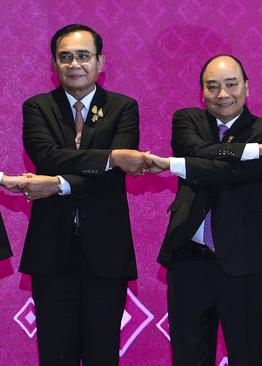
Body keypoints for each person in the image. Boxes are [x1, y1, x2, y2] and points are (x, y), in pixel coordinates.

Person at [146, 54, 262, 366]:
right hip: (189, 259)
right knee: (188, 356)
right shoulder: (187, 120)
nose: (222, 94)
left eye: (230, 85)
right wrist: (250, 152)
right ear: (202, 92)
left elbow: (232, 173)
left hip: (246, 262)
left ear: (247, 87)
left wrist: (181, 166)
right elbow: (192, 150)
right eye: (212, 87)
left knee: (246, 355)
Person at [20, 23, 149, 365]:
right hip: (52, 250)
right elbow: (46, 155)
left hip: (106, 251)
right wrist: (109, 158)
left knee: (102, 353)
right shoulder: (38, 108)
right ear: (54, 64)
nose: (74, 64)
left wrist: (59, 184)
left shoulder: (123, 107)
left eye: (83, 56)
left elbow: (116, 173)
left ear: (100, 62)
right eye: (65, 57)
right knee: (55, 353)